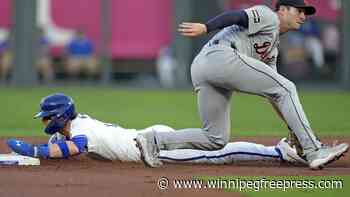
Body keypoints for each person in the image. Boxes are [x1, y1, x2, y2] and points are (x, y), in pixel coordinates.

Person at [134, 0, 349, 169]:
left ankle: (152, 140)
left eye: (306, 12)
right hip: (220, 55)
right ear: (282, 9)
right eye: (299, 10)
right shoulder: (269, 16)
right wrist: (206, 27)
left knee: (215, 138)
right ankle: (314, 151)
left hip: (202, 67)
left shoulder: (272, 48)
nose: (303, 16)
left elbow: (274, 94)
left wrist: (292, 126)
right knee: (288, 87)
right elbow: (236, 16)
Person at [6, 93, 306, 165]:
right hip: (149, 135)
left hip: (151, 148)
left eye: (47, 118)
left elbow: (72, 148)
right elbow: (67, 138)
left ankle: (279, 152)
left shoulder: (83, 132)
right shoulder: (77, 123)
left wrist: (35, 151)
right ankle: (280, 150)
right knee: (213, 148)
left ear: (60, 117)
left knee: (219, 153)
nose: (44, 123)